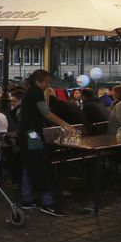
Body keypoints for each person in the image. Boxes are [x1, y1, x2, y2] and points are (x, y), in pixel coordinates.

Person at [17, 69, 76, 217]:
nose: (48, 86)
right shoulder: (36, 93)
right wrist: (65, 124)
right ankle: (47, 201)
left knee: (29, 164)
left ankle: (27, 198)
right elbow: (46, 113)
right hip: (33, 135)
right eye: (46, 83)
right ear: (38, 81)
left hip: (28, 134)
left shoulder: (30, 91)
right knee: (40, 164)